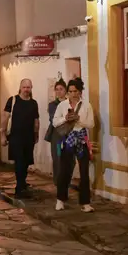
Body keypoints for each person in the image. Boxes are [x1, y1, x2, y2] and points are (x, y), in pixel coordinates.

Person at [52, 78, 95, 212]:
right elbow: (54, 122)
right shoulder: (62, 106)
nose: (72, 94)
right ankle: (60, 199)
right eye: (70, 91)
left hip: (81, 139)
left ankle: (85, 202)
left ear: (80, 92)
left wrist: (79, 121)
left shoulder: (86, 105)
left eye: (75, 91)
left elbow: (91, 124)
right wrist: (66, 118)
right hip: (68, 139)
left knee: (84, 172)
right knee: (64, 171)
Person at [2, 79, 40, 198]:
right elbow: (5, 118)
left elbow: (36, 120)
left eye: (28, 87)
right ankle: (19, 188)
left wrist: (36, 134)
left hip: (29, 137)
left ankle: (22, 183)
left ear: (31, 88)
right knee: (19, 161)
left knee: (26, 162)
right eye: (24, 87)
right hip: (15, 137)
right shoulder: (13, 100)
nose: (26, 89)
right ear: (20, 87)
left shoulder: (33, 103)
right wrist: (2, 134)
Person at [44, 80, 67, 177]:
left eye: (61, 89)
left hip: (68, 134)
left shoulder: (69, 103)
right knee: (57, 156)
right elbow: (54, 119)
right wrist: (66, 118)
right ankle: (58, 181)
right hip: (56, 136)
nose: (58, 91)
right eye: (56, 89)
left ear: (65, 90)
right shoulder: (52, 105)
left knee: (68, 158)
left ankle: (66, 179)